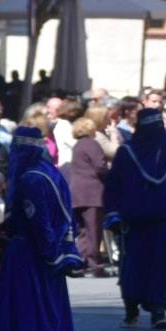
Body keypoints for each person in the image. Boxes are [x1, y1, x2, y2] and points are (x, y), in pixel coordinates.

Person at [0, 128, 84, 331]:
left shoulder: (29, 179)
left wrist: (49, 252)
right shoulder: (53, 173)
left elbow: (38, 221)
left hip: (28, 254)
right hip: (49, 253)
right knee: (54, 315)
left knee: (22, 315)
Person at [104, 108, 166, 330]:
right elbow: (115, 185)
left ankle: (157, 311)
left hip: (160, 220)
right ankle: (132, 310)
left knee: (158, 266)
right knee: (134, 266)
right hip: (134, 222)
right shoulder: (127, 153)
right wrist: (113, 214)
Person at [69, 117, 109, 277]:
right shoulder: (91, 144)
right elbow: (100, 166)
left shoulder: (77, 145)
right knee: (94, 230)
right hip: (92, 192)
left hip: (78, 193)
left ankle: (81, 262)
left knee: (84, 231)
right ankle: (95, 264)